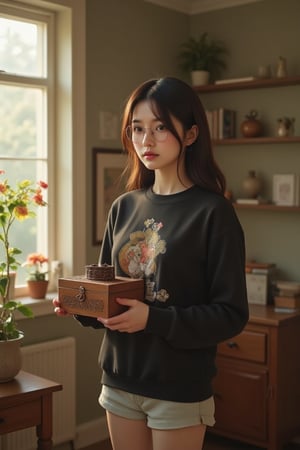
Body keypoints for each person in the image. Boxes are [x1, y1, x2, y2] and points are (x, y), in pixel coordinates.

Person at [53, 77, 249, 450]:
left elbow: (230, 314)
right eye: (138, 129)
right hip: (119, 380)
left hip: (178, 386)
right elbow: (113, 295)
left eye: (160, 127)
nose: (147, 140)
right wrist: (81, 305)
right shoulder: (124, 207)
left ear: (190, 135)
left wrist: (153, 319)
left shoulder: (213, 213)